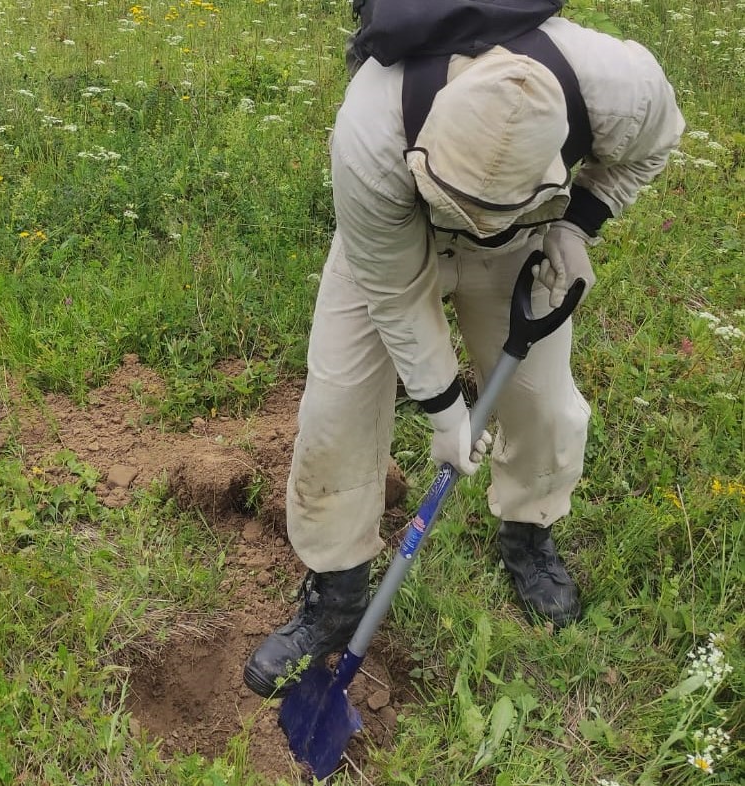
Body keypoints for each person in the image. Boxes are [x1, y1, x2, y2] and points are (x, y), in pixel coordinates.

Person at [243, 14, 684, 698]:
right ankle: (335, 595)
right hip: (393, 236)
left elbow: (653, 148)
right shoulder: (372, 125)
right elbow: (393, 294)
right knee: (336, 408)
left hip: (521, 241)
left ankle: (528, 535)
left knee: (543, 409)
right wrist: (446, 408)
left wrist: (577, 225)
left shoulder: (619, 87)